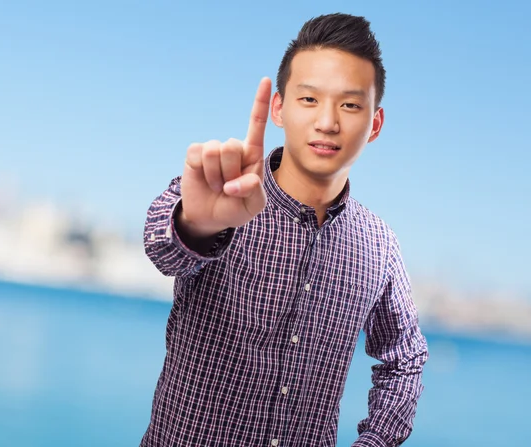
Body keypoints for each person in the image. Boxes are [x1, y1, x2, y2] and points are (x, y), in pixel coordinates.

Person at [142, 12, 428, 447]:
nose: (328, 122)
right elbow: (162, 249)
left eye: (350, 105)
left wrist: (375, 442)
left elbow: (405, 358)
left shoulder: (379, 245)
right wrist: (200, 224)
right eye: (309, 99)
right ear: (278, 107)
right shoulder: (222, 192)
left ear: (375, 124)